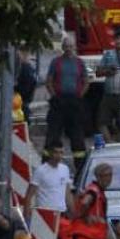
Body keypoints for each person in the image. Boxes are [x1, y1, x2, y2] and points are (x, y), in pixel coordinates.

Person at [44, 35, 90, 167]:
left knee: (77, 136)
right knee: (53, 134)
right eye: (66, 46)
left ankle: (80, 166)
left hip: (74, 103)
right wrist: (55, 96)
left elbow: (86, 82)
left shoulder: (80, 62)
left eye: (71, 46)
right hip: (59, 102)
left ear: (74, 47)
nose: (69, 49)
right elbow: (49, 81)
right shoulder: (56, 62)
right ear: (63, 47)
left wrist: (79, 96)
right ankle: (47, 163)